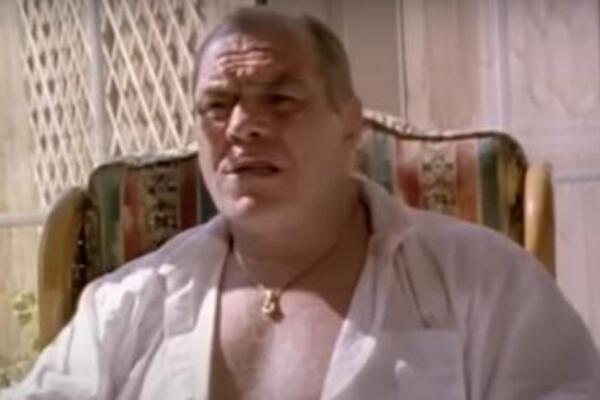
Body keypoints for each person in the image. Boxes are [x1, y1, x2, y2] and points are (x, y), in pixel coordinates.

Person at [3, 7, 600, 400]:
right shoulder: (127, 306)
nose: (241, 126)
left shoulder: (486, 281)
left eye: (280, 98)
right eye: (217, 105)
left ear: (350, 124)